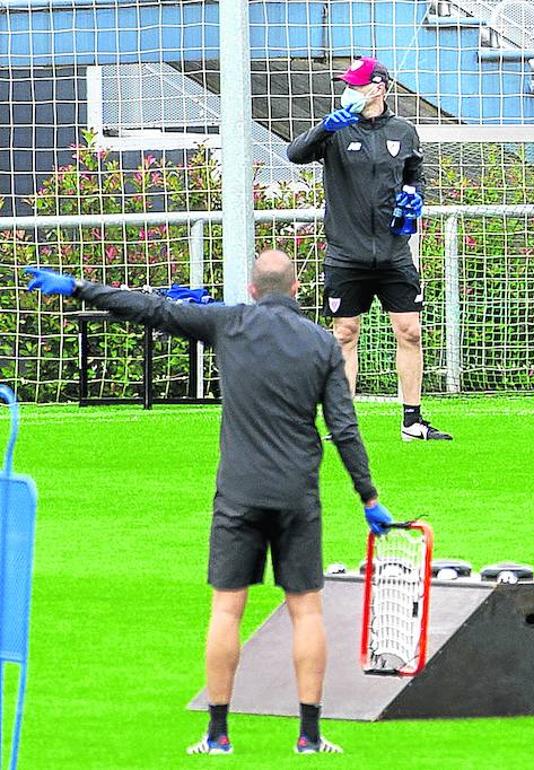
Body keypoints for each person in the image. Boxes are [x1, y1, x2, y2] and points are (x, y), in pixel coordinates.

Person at [24, 251, 396, 756]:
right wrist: (368, 497)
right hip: (296, 495)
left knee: (227, 610)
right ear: (296, 288)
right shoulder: (321, 344)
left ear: (251, 287)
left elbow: (149, 309)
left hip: (239, 494)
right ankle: (309, 736)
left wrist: (76, 287)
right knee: (306, 611)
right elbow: (344, 428)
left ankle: (218, 735)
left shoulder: (228, 323)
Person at [287, 56, 451, 441]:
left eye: (357, 85)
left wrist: (415, 197)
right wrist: (325, 127)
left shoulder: (404, 131)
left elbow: (415, 175)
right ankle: (343, 424)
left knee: (410, 331)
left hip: (394, 255)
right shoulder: (336, 132)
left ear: (378, 88)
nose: (350, 91)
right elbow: (294, 153)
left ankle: (412, 421)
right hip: (346, 254)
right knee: (345, 333)